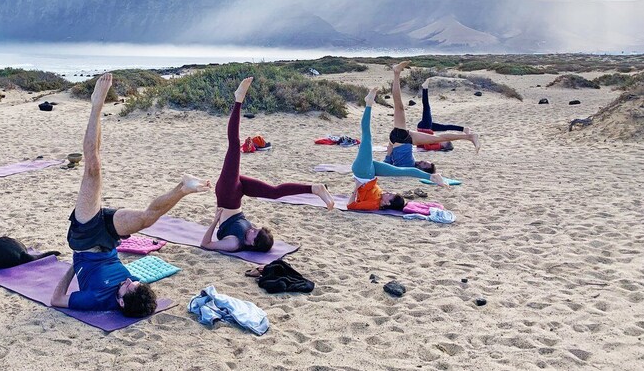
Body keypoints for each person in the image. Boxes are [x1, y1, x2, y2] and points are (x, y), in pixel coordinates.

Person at [51, 73, 210, 316]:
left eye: (127, 287)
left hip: (84, 241)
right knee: (146, 218)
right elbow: (138, 287)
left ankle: (96, 105)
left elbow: (56, 299)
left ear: (121, 303)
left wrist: (73, 265)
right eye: (132, 282)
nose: (127, 280)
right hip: (109, 239)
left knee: (93, 168)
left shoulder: (96, 299)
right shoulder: (135, 287)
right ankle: (182, 188)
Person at [201, 77, 335, 253]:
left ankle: (238, 100)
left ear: (251, 244)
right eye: (257, 229)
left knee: (234, 144)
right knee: (274, 192)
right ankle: (314, 188)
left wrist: (214, 220)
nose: (253, 229)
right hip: (237, 195)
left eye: (254, 234)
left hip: (226, 194)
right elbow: (248, 228)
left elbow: (205, 244)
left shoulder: (234, 243)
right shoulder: (250, 234)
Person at [347, 87, 446, 212]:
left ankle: (369, 103)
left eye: (390, 195)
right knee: (401, 170)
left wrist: (355, 188)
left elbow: (350, 206)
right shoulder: (381, 197)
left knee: (367, 136)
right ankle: (432, 177)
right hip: (371, 175)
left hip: (362, 173)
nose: (387, 192)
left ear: (386, 203)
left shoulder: (373, 204)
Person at [385, 62, 480, 174]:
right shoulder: (412, 164)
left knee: (399, 106)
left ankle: (397, 73)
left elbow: (387, 162)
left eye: (425, 164)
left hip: (401, 139)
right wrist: (390, 147)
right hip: (402, 140)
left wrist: (390, 148)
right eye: (426, 162)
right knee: (439, 134)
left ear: (422, 169)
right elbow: (387, 159)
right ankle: (469, 136)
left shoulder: (411, 170)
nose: (423, 161)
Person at [415, 79, 466, 151]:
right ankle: (463, 129)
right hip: (426, 128)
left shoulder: (438, 146)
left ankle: (425, 88)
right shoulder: (436, 142)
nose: (444, 139)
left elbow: (427, 146)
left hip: (425, 129)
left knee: (426, 107)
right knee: (444, 127)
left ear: (444, 146)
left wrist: (427, 139)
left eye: (446, 141)